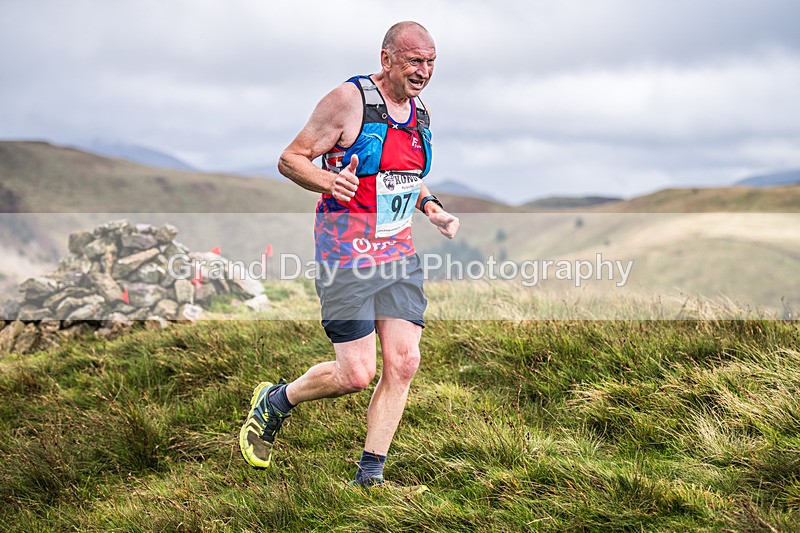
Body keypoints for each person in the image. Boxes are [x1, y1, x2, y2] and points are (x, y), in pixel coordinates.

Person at [239, 21, 459, 489]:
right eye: (414, 61)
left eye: (431, 62)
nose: (424, 71)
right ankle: (277, 401)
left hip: (398, 254)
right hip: (346, 254)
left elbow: (402, 175)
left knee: (404, 363)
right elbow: (291, 157)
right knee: (356, 374)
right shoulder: (348, 101)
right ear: (387, 59)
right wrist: (328, 180)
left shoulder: (420, 112)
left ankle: (369, 477)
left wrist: (431, 207)